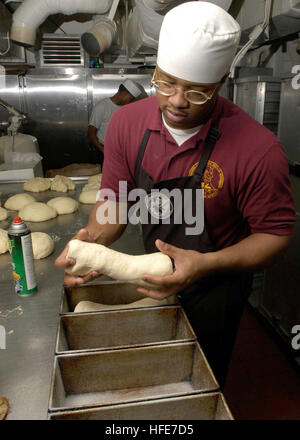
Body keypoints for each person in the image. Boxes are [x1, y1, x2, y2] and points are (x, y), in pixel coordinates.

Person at [55, 2, 295, 388]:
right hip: (155, 270)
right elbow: (115, 199)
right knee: (147, 370)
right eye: (165, 82)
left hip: (216, 285)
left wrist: (204, 264)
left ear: (219, 84)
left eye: (197, 92)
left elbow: (276, 235)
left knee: (197, 378)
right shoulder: (127, 123)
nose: (177, 101)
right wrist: (93, 240)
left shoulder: (258, 149)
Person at [88, 78, 143, 166]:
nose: (130, 102)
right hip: (102, 150)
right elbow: (91, 132)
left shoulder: (126, 108)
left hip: (119, 151)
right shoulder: (102, 106)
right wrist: (102, 149)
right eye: (130, 99)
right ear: (124, 93)